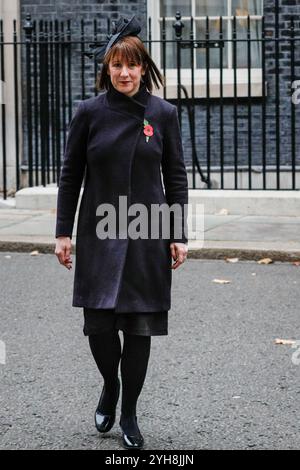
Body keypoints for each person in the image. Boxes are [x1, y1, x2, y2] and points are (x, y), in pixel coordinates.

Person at [54, 15, 188, 450]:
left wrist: (178, 233)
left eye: (132, 66)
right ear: (107, 69)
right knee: (98, 325)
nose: (124, 73)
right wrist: (63, 232)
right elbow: (71, 174)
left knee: (139, 325)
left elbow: (176, 177)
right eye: (116, 66)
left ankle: (128, 409)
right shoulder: (89, 112)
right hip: (99, 228)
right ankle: (109, 385)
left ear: (143, 68)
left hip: (148, 230)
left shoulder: (163, 113)